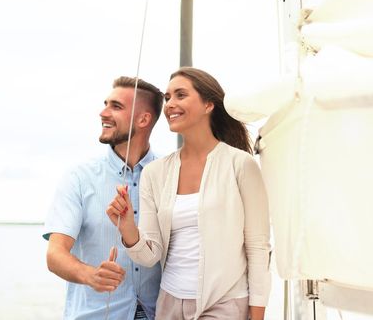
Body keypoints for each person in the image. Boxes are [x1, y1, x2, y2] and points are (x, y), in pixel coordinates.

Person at [107, 67, 271, 319]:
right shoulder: (155, 172)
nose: (170, 104)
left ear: (208, 105)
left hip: (224, 304)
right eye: (168, 97)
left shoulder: (240, 165)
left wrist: (257, 316)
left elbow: (258, 248)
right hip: (169, 305)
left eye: (180, 95)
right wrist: (127, 227)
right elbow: (150, 256)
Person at [43, 76, 164, 320]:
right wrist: (90, 275)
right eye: (106, 104)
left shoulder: (169, 175)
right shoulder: (79, 177)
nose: (103, 113)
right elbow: (54, 254)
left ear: (143, 119)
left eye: (116, 107)